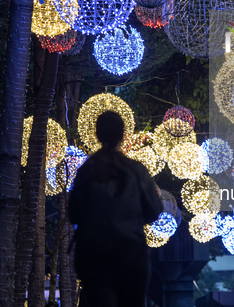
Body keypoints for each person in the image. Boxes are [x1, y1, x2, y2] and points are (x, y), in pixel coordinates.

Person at [69, 111, 163, 307]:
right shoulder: (136, 170)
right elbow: (154, 210)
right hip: (130, 254)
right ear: (122, 134)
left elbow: (73, 214)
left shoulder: (85, 171)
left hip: (92, 255)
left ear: (97, 134)